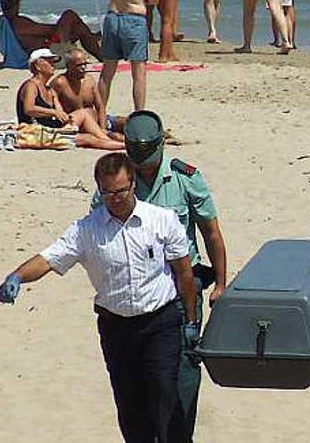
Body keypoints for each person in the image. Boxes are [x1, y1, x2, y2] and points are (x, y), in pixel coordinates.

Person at [0, 152, 199, 443]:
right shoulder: (86, 230)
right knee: (129, 403)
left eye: (120, 190)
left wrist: (190, 321)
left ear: (132, 185)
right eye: (107, 192)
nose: (114, 198)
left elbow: (184, 274)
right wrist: (17, 276)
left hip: (161, 322)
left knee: (165, 391)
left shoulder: (162, 221)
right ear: (99, 189)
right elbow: (49, 258)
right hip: (117, 328)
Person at [95, 110, 228, 441]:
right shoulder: (115, 183)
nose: (145, 168)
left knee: (181, 377)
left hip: (183, 288)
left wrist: (221, 284)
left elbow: (211, 232)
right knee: (134, 385)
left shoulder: (185, 177)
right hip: (136, 291)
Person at [17, 49, 124, 150]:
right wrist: (53, 112)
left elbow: (60, 112)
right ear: (37, 66)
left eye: (54, 62)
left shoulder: (49, 89)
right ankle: (123, 146)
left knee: (84, 114)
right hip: (37, 131)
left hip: (53, 127)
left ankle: (108, 137)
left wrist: (64, 117)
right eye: (49, 62)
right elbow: (29, 109)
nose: (53, 65)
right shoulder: (31, 85)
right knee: (89, 138)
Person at [98, 0, 159, 112]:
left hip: (112, 18)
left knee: (107, 71)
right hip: (133, 18)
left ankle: (100, 112)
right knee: (138, 73)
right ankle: (139, 113)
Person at [0, 0, 103, 62]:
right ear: (16, 3)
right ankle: (93, 40)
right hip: (51, 54)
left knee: (79, 28)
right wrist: (64, 27)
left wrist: (64, 27)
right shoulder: (18, 22)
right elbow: (45, 30)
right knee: (69, 14)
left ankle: (101, 56)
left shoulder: (2, 23)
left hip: (47, 47)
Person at [52, 48, 125, 137]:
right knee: (115, 136)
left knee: (129, 122)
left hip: (98, 120)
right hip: (79, 125)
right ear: (68, 66)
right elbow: (51, 105)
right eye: (79, 65)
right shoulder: (60, 83)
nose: (83, 68)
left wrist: (103, 127)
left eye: (85, 64)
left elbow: (100, 107)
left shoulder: (89, 81)